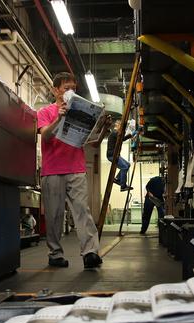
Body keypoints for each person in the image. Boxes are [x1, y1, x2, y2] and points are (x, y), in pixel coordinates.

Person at [38, 72, 111, 268]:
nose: (70, 91)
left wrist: (103, 129)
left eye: (74, 88)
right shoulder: (45, 112)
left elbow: (92, 144)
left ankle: (90, 253)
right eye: (66, 88)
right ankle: (55, 254)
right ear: (55, 91)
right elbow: (45, 137)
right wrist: (59, 118)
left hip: (76, 168)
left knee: (82, 212)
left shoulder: (81, 111)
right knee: (54, 215)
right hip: (52, 170)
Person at [106, 120, 137, 191]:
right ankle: (123, 186)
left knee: (127, 165)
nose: (122, 128)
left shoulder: (116, 133)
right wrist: (130, 135)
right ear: (117, 125)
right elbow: (122, 139)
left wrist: (130, 135)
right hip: (112, 155)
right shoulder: (115, 132)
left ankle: (117, 179)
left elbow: (121, 139)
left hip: (115, 155)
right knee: (124, 167)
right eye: (121, 126)